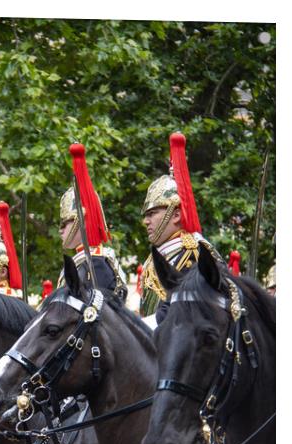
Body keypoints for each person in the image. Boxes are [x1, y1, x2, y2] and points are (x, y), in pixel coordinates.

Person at [140, 132, 223, 317]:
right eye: (146, 215)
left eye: (152, 213)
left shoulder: (193, 254)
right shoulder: (159, 256)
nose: (146, 221)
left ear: (176, 215)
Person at [57, 143, 127, 301]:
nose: (60, 230)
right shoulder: (83, 261)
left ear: (80, 221)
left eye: (64, 224)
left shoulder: (95, 264)